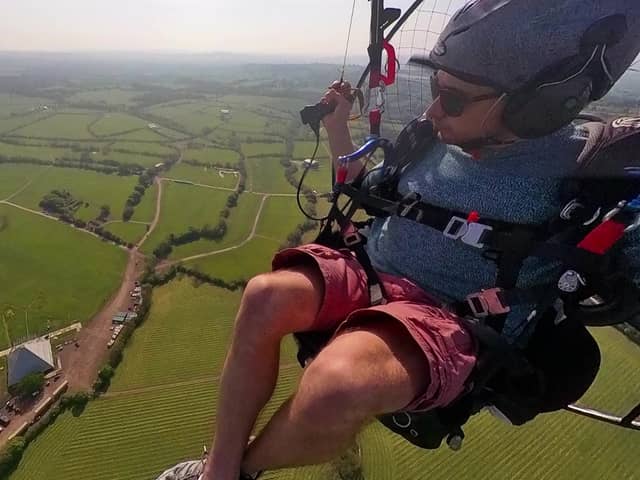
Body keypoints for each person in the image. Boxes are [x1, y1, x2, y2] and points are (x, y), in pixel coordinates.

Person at [158, 1, 640, 479]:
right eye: (435, 88)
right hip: (370, 267)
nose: (433, 108)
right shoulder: (431, 139)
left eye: (452, 98)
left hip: (452, 316)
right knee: (265, 295)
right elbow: (367, 187)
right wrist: (336, 128)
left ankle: (229, 475)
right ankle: (220, 470)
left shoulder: (591, 173)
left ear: (534, 108)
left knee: (336, 384)